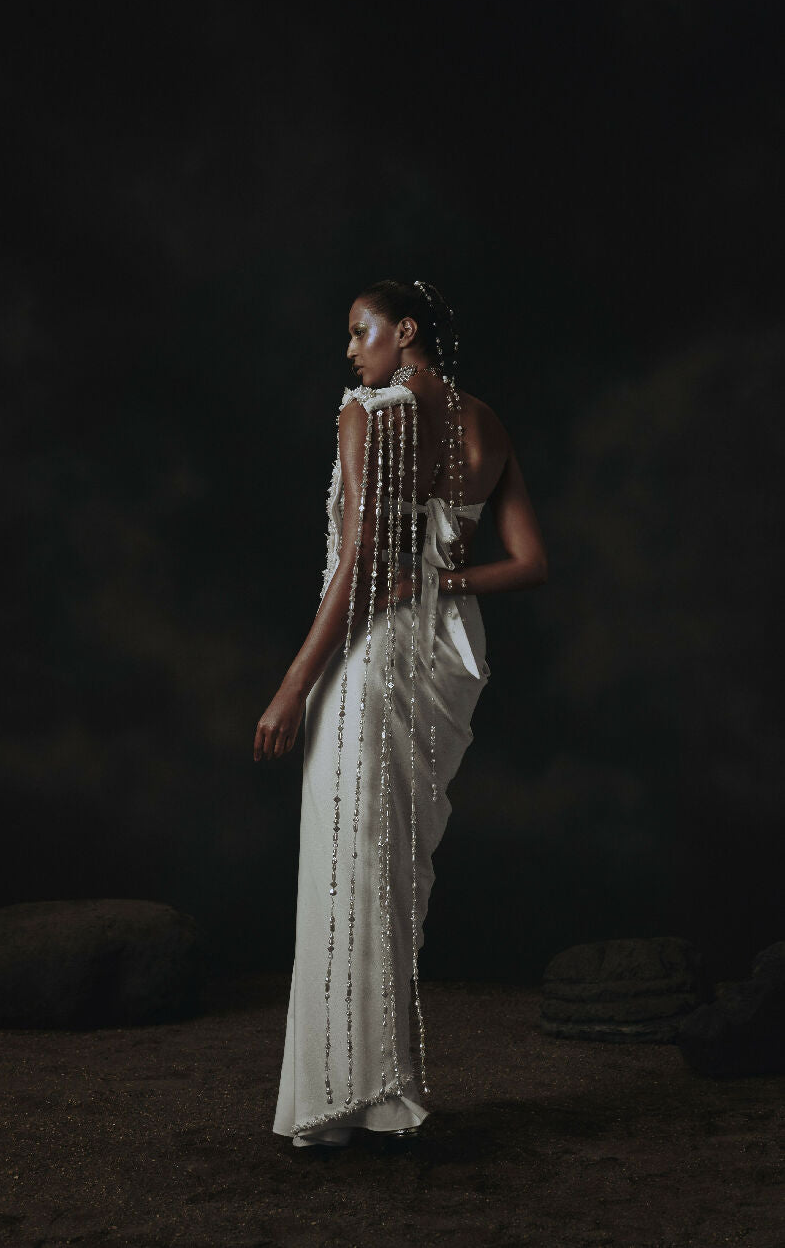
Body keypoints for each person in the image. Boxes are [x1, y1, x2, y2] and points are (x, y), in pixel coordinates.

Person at [254, 279, 548, 1149]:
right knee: (385, 865)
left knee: (351, 864)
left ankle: (348, 1101)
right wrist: (442, 580)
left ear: (404, 331)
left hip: (371, 655)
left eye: (360, 330)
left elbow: (355, 566)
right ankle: (381, 1091)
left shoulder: (370, 413)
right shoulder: (485, 422)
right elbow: (531, 562)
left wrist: (292, 685)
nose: (350, 350)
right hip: (445, 655)